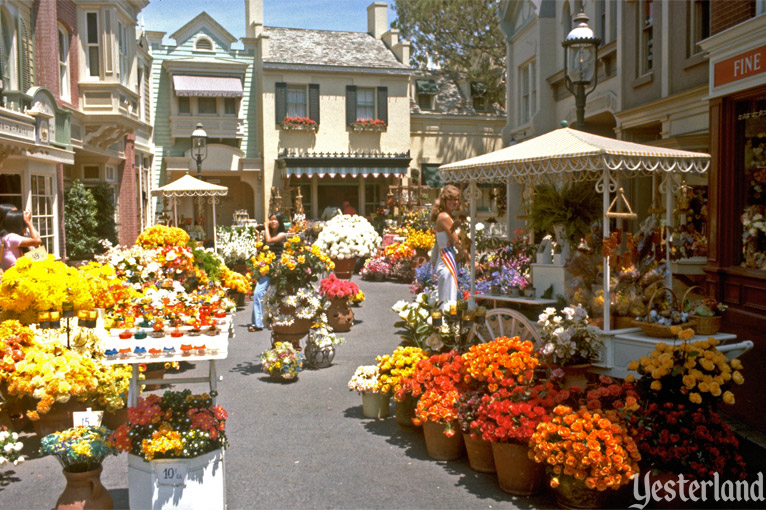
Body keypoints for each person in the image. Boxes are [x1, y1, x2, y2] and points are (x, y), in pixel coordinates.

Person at [249, 212, 287, 332]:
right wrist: (258, 234)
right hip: (266, 265)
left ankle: (274, 320)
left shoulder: (282, 234)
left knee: (275, 295)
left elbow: (270, 241)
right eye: (271, 220)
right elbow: (260, 247)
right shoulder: (267, 233)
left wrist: (265, 226)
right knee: (258, 293)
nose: (273, 222)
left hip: (278, 266)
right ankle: (258, 323)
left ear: (279, 222)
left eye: (275, 219)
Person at [430, 185, 461, 306]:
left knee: (447, 298)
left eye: (456, 199)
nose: (454, 202)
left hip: (446, 257)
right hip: (446, 260)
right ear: (444, 200)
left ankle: (445, 322)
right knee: (449, 300)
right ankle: (446, 323)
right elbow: (458, 242)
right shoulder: (445, 217)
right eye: (451, 199)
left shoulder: (446, 216)